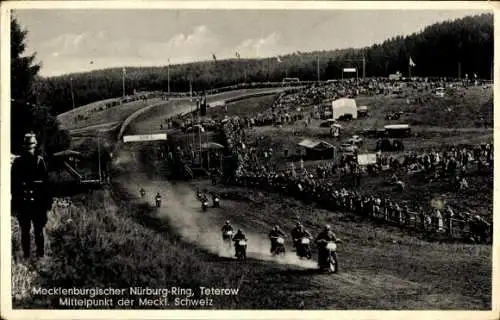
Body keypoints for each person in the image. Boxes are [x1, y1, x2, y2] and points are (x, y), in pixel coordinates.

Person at [11, 133, 52, 259]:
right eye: (28, 145)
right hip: (25, 203)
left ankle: (39, 256)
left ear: (35, 146)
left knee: (37, 231)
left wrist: (47, 204)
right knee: (26, 231)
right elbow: (13, 185)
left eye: (31, 145)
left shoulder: (40, 161)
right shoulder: (18, 162)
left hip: (37, 203)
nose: (29, 147)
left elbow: (46, 184)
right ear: (24, 146)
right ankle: (27, 257)